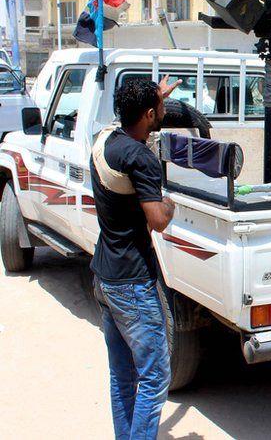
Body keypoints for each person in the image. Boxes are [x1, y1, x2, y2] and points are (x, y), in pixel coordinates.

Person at [90, 76, 182, 439]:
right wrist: (170, 205)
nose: (164, 111)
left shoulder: (106, 140)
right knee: (156, 377)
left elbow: (135, 116)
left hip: (105, 275)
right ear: (147, 114)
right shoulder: (142, 159)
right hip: (132, 284)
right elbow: (157, 221)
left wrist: (155, 94)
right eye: (159, 108)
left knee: (123, 377)